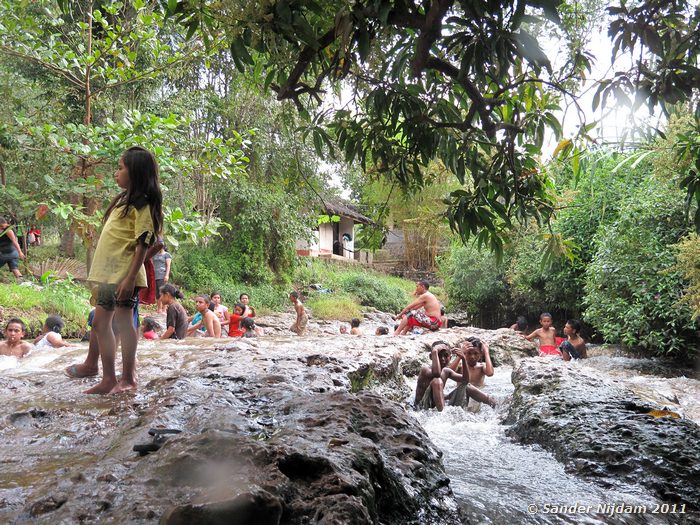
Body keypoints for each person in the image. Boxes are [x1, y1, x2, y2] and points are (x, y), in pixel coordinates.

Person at [84, 146, 163, 395]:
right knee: (99, 324)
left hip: (123, 274)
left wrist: (130, 278)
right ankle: (108, 377)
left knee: (124, 322)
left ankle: (128, 377)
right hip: (108, 275)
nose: (116, 173)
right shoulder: (122, 201)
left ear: (136, 173)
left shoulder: (143, 204)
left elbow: (145, 242)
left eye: (120, 168)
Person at [414, 341, 495, 411]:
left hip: (437, 405)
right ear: (431, 357)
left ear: (450, 357)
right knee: (437, 381)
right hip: (422, 407)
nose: (442, 359)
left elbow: (465, 381)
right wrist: (435, 351)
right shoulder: (425, 370)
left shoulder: (446, 371)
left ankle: (494, 404)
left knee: (467, 387)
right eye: (439, 355)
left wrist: (463, 358)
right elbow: (437, 374)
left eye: (445, 356)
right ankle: (442, 415)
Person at [0, 216, 25, 280]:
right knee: (14, 269)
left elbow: (15, 242)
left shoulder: (8, 230)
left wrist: (20, 252)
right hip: (12, 253)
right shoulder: (3, 229)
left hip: (7, 253)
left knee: (15, 269)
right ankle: (22, 282)